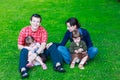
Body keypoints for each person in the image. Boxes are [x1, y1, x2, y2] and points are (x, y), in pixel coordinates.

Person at [18, 14, 65, 79]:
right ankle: (23, 70)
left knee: (52, 46)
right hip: (29, 53)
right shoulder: (24, 30)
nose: (35, 23)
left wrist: (36, 53)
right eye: (34, 21)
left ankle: (58, 65)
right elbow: (19, 46)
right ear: (30, 21)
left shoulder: (43, 31)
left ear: (40, 23)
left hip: (41, 52)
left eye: (37, 22)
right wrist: (29, 49)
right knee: (23, 50)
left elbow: (43, 45)